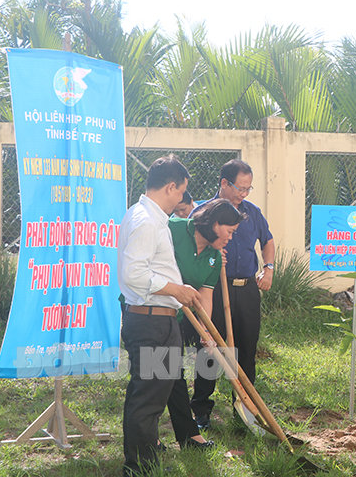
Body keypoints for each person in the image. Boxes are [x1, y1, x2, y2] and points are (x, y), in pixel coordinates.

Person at [118, 155, 204, 476]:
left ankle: (147, 454)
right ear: (171, 187)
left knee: (158, 389)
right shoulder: (145, 220)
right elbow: (133, 274)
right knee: (148, 395)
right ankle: (139, 466)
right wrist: (175, 289)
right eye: (182, 191)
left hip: (161, 318)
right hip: (150, 320)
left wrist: (180, 292)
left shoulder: (153, 218)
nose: (183, 198)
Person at [190, 159, 274, 429]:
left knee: (247, 349)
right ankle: (202, 410)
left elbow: (268, 240)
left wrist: (269, 268)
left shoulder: (252, 211)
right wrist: (213, 254)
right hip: (213, 288)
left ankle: (246, 408)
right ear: (224, 183)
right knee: (210, 349)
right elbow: (192, 248)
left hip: (247, 288)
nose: (244, 194)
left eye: (249, 189)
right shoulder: (203, 211)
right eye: (240, 188)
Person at [173, 199, 246, 428]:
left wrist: (206, 333)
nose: (230, 238)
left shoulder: (215, 258)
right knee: (163, 372)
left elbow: (205, 296)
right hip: (154, 311)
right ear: (215, 225)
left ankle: (189, 428)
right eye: (229, 231)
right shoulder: (174, 228)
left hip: (180, 314)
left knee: (171, 374)